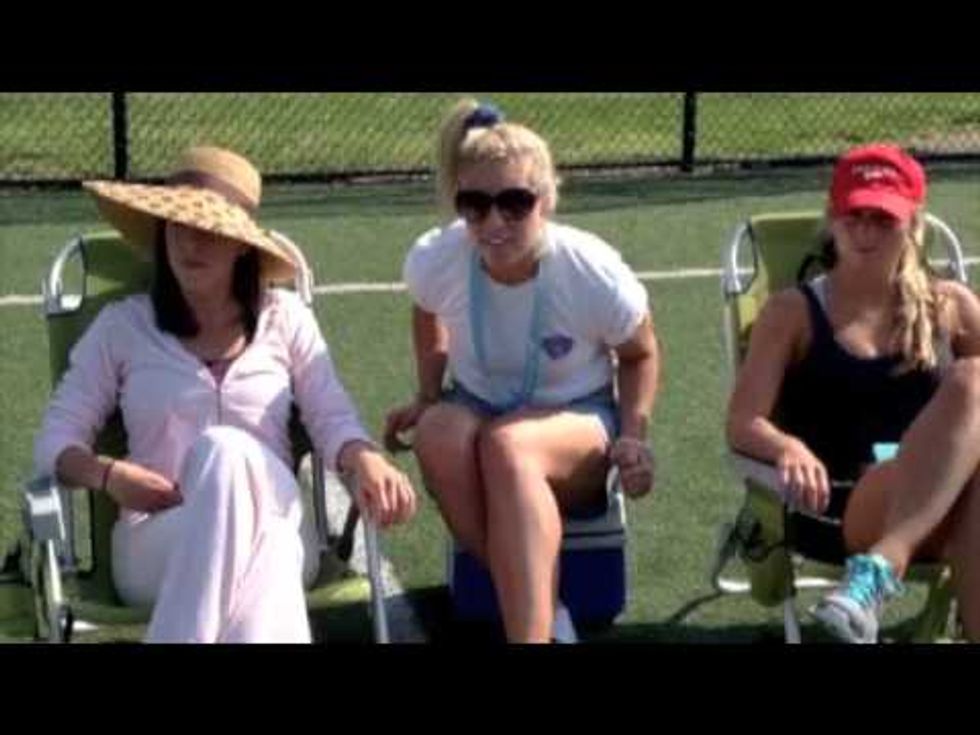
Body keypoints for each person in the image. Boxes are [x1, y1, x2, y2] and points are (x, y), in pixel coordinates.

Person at [34, 145, 416, 643]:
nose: (190, 243)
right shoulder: (122, 327)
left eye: (209, 230)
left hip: (276, 515)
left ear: (241, 245)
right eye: (178, 225)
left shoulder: (285, 319)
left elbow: (332, 416)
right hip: (157, 536)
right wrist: (108, 475)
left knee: (230, 457)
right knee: (263, 535)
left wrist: (364, 456)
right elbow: (54, 442)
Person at [383, 100, 660, 643]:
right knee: (438, 430)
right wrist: (427, 393)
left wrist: (633, 436)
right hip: (477, 408)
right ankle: (545, 611)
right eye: (475, 205)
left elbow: (641, 352)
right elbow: (426, 308)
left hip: (576, 421)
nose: (494, 222)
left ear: (547, 199)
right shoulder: (438, 257)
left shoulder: (591, 269)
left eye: (515, 203)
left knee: (510, 445)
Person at [727, 142, 980, 642]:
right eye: (854, 217)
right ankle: (883, 562)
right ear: (832, 219)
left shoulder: (952, 306)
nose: (865, 232)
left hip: (949, 506)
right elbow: (742, 422)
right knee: (973, 379)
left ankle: (878, 575)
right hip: (845, 504)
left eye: (883, 220)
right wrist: (786, 446)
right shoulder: (792, 313)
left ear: (913, 224)